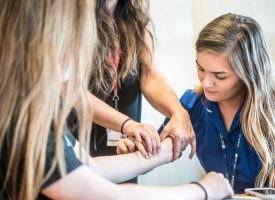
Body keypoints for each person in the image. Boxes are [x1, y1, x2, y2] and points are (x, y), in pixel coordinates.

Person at [0, 1, 234, 199]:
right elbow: (106, 194)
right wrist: (201, 190)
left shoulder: (30, 114)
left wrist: (166, 149)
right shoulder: (23, 123)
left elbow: (90, 168)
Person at [117, 13, 275, 193]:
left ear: (249, 73)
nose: (205, 83)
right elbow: (159, 152)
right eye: (200, 68)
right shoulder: (193, 104)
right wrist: (137, 150)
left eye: (220, 76)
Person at [81, 0, 196, 175]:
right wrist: (127, 124)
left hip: (125, 149)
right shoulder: (72, 20)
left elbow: (151, 77)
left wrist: (178, 112)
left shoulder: (137, 23)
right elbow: (72, 92)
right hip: (78, 142)